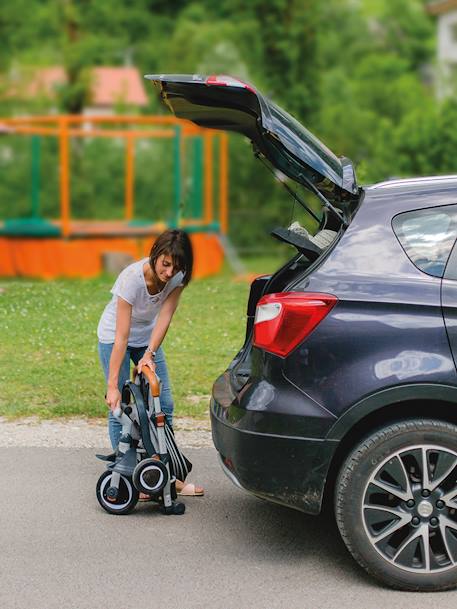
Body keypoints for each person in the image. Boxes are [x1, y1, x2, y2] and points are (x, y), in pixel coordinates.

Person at [97, 229, 204, 497]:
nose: (169, 273)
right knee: (120, 408)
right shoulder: (130, 279)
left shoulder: (177, 276)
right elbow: (121, 337)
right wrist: (112, 386)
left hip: (147, 339)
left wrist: (150, 354)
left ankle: (164, 475)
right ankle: (129, 475)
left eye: (176, 267)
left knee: (163, 405)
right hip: (114, 337)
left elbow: (165, 316)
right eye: (165, 264)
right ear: (155, 254)